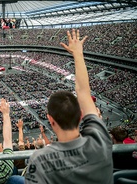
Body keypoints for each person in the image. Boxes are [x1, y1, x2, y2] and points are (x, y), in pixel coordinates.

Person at [25, 29, 113, 184]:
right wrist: (78, 54)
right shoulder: (101, 141)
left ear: (50, 120)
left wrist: (77, 54)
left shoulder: (39, 159)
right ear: (80, 115)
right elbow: (84, 92)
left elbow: (83, 92)